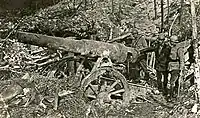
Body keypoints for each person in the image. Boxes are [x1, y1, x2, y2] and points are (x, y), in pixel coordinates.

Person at [168, 35, 185, 101]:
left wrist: (181, 67)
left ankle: (171, 96)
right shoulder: (171, 47)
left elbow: (181, 59)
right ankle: (174, 94)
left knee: (172, 81)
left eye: (172, 42)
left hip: (176, 66)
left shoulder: (179, 49)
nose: (171, 43)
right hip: (171, 66)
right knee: (174, 81)